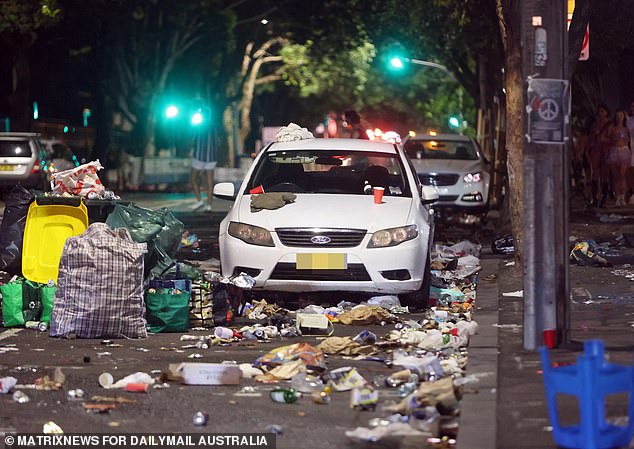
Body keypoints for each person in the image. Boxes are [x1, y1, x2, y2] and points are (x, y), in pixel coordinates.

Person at [585, 104, 611, 208]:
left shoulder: (610, 125)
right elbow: (590, 138)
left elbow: (614, 139)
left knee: (605, 174)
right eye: (599, 111)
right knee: (594, 173)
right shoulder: (595, 125)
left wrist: (605, 139)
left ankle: (604, 198)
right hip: (596, 150)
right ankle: (595, 198)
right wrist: (587, 151)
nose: (601, 114)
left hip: (606, 150)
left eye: (603, 111)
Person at [190, 125, 220, 212]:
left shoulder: (198, 126)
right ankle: (209, 205)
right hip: (211, 157)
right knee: (210, 182)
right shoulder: (214, 128)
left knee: (193, 179)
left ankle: (199, 201)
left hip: (199, 157)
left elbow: (193, 139)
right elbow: (218, 142)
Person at [607, 109, 631, 207]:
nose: (619, 118)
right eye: (617, 116)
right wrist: (613, 141)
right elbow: (606, 138)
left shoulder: (626, 128)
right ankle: (617, 197)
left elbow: (628, 140)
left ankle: (622, 196)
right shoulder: (612, 128)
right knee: (615, 175)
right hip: (614, 151)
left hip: (624, 151)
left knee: (622, 175)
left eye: (621, 116)